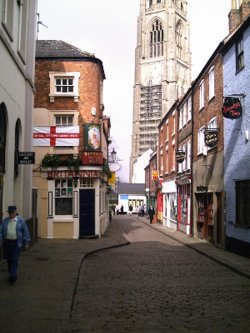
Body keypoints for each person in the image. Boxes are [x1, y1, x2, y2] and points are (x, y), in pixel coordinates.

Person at [0, 205, 30, 284]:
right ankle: (12, 273)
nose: (11, 214)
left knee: (14, 259)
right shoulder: (5, 221)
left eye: (12, 212)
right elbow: (1, 232)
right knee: (9, 260)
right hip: (7, 242)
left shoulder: (21, 221)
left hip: (16, 242)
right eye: (9, 213)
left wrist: (26, 242)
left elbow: (25, 231)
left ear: (15, 212)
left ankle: (12, 276)